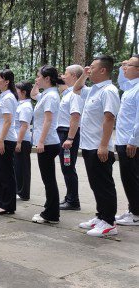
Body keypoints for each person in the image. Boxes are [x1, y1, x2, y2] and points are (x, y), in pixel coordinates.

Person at [74, 55, 121, 237]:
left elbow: (109, 118)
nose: (89, 69)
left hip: (99, 146)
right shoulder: (94, 90)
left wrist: (103, 145)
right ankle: (101, 216)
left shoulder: (108, 91)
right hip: (89, 145)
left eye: (92, 67)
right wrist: (84, 74)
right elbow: (76, 88)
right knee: (96, 184)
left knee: (104, 185)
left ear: (103, 70)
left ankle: (109, 223)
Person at [31, 66, 64, 224]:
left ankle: (51, 214)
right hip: (47, 142)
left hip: (48, 143)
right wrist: (37, 84)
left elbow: (48, 120)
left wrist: (41, 141)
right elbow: (33, 94)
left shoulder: (51, 96)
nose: (36, 79)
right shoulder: (46, 94)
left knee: (49, 180)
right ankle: (50, 209)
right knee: (48, 180)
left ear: (47, 78)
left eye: (39, 76)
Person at [114, 55, 139, 226]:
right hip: (123, 139)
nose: (124, 67)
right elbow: (121, 82)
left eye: (128, 65)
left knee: (132, 178)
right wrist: (122, 68)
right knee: (127, 177)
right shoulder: (130, 87)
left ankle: (136, 214)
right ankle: (133, 209)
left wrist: (133, 140)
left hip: (131, 142)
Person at [56, 65, 85, 211]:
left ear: (74, 76)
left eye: (65, 74)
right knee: (65, 167)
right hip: (63, 132)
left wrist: (70, 138)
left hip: (68, 134)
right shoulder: (68, 93)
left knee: (68, 167)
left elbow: (75, 117)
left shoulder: (75, 94)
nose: (63, 76)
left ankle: (73, 201)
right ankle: (69, 197)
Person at [0, 69, 18, 215]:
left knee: (6, 174)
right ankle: (1, 202)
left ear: (7, 81)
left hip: (5, 140)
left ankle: (8, 205)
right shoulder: (2, 96)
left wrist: (1, 141)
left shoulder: (8, 98)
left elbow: (8, 121)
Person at [14, 81, 33, 201]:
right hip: (19, 139)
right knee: (18, 167)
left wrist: (19, 142)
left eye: (17, 90)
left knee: (23, 167)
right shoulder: (20, 104)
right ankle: (19, 190)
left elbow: (24, 125)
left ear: (23, 92)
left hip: (22, 140)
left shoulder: (25, 106)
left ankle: (23, 192)